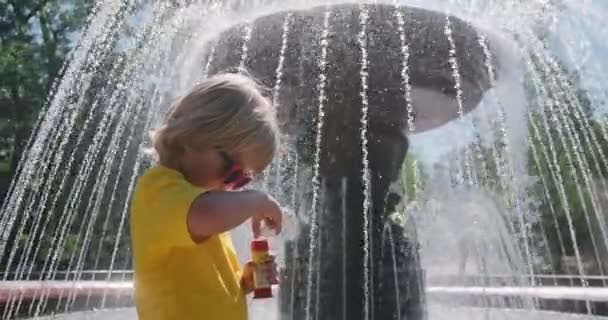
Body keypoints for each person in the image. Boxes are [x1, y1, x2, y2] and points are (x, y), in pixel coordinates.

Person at [130, 72, 283, 320]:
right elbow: (206, 213)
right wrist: (258, 199)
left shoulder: (203, 203)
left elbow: (208, 288)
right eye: (232, 171)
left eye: (243, 179)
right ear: (195, 135)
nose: (232, 185)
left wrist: (245, 281)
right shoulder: (158, 189)